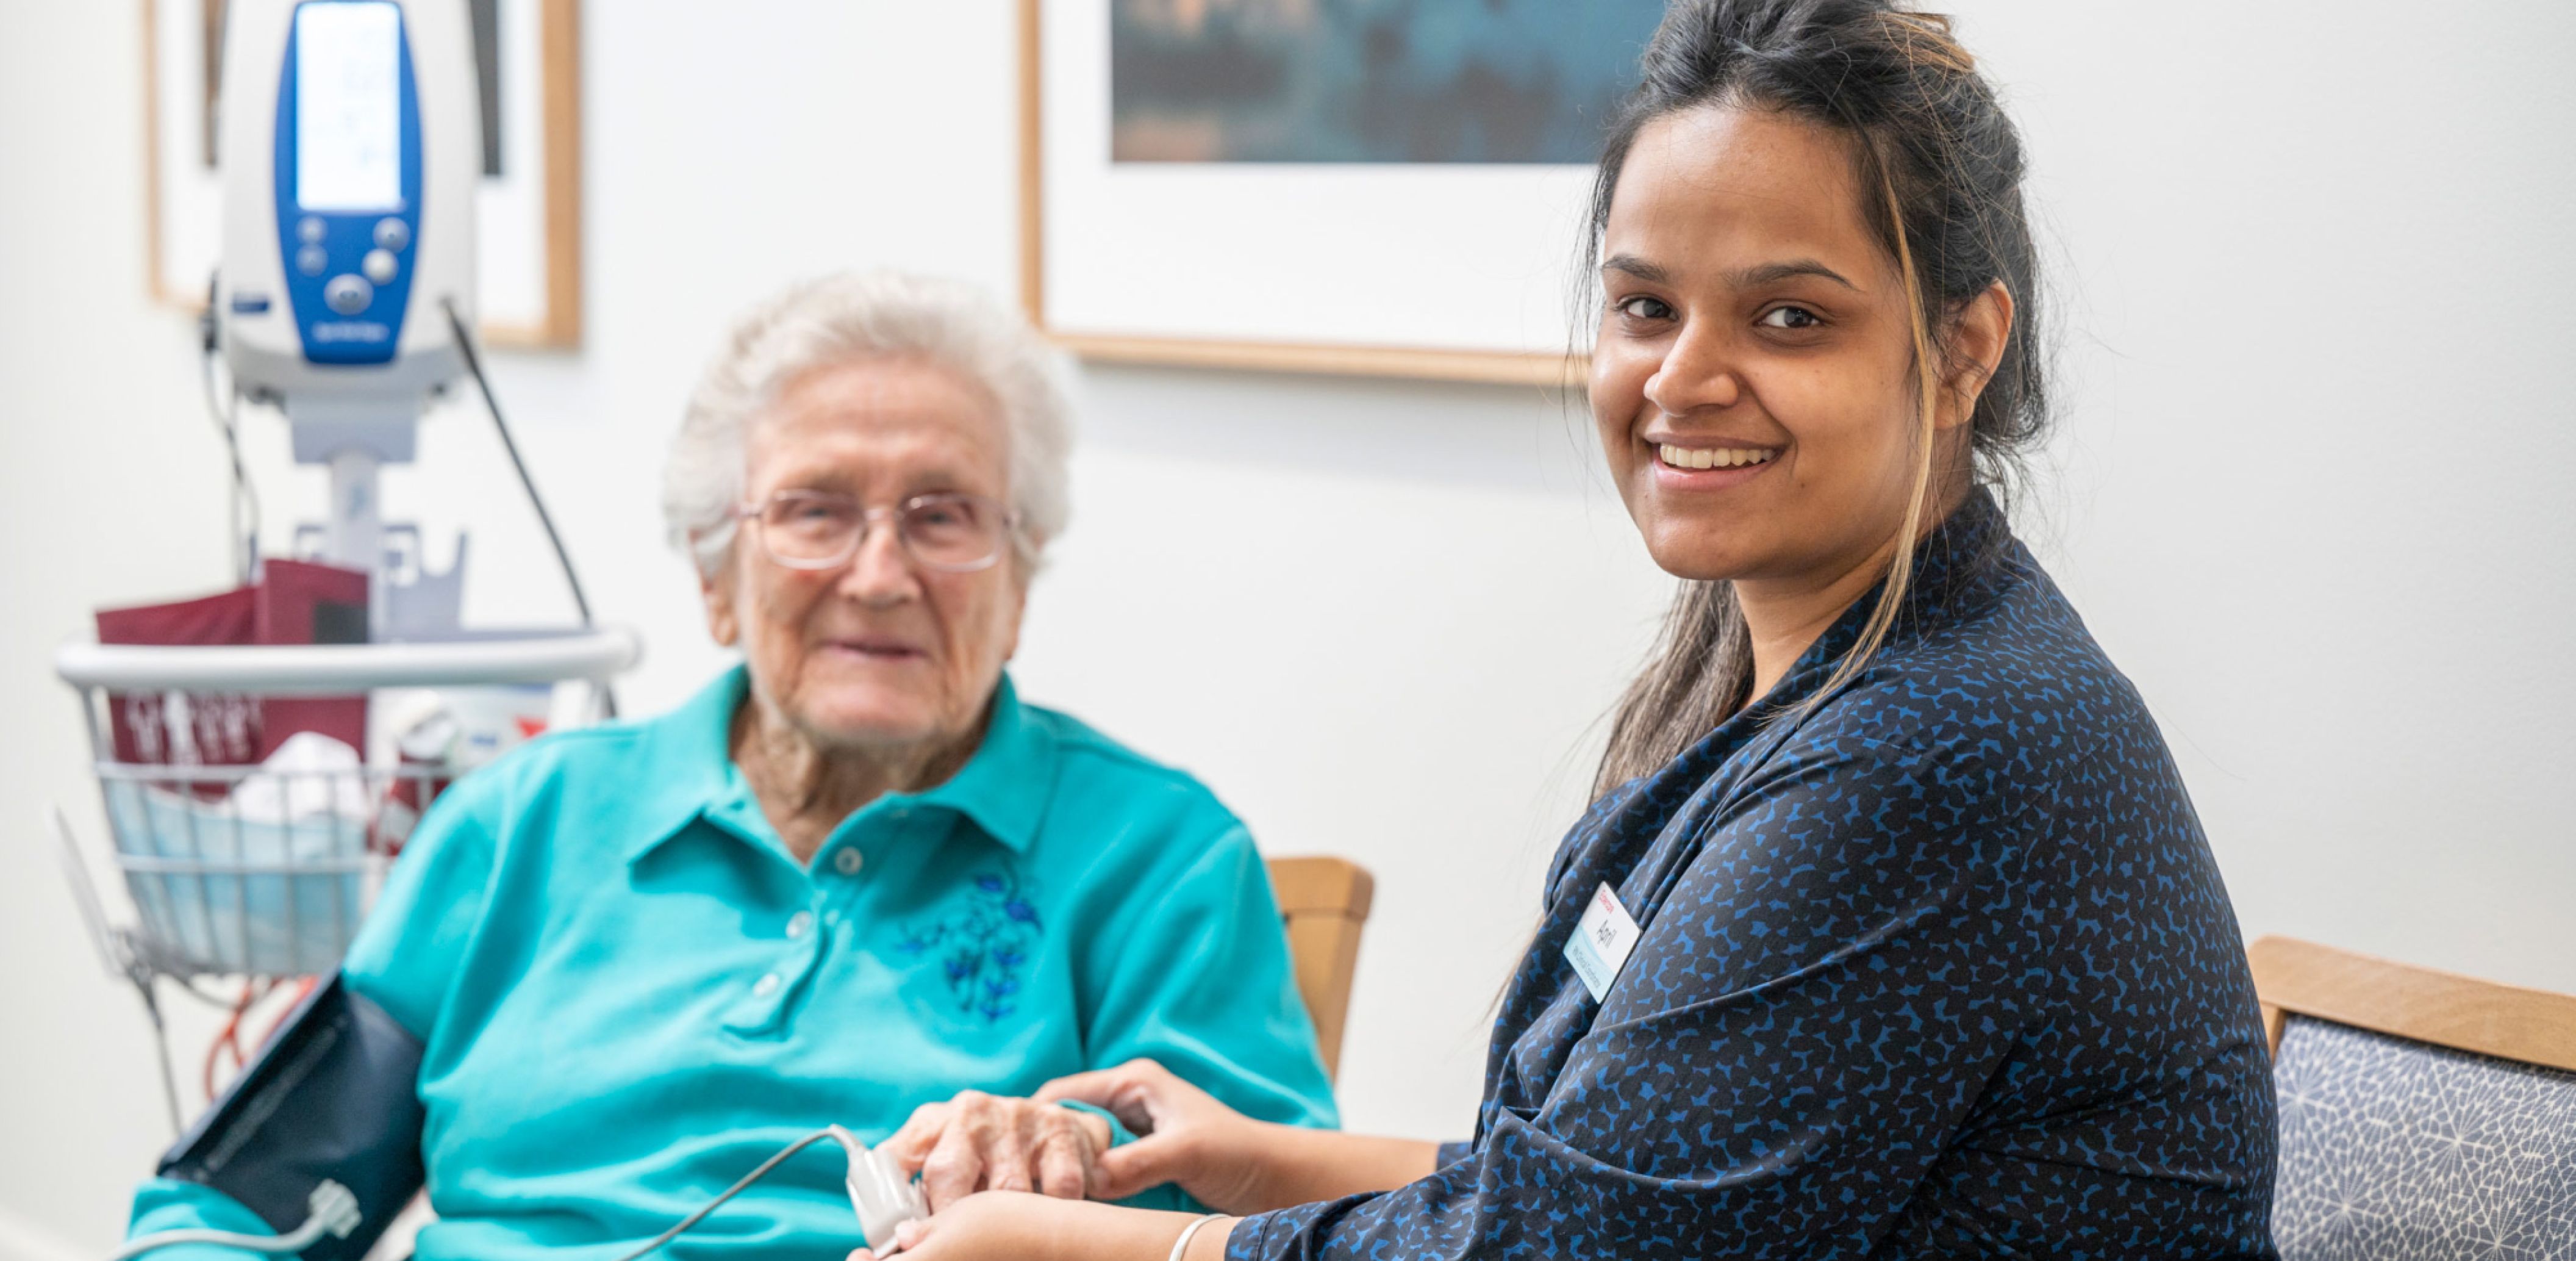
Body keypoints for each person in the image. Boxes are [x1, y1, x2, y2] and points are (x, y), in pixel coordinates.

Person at [855, 2, 2280, 1258]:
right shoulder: (1812, 676)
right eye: (1644, 306)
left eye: (1788, 317)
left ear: (1962, 345)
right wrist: (1253, 1158)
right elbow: (1632, 1184)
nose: (1683, 377)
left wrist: (1075, 1252)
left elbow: (1574, 1242)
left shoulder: (1929, 755)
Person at [123, 272, 1339, 1259]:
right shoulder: (517, 829)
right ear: (715, 577)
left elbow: (1300, 1241)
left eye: (942, 514)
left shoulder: (1160, 862)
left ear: (1018, 585)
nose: (879, 572)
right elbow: (224, 1214)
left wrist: (1071, 1158)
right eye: (815, 510)